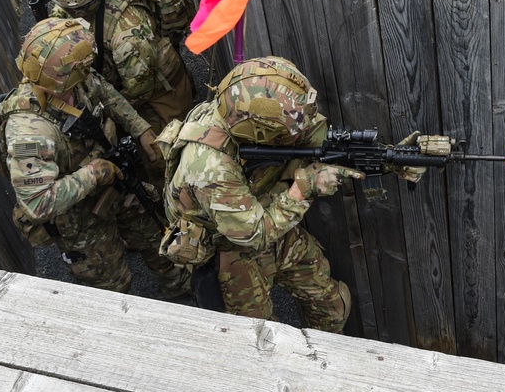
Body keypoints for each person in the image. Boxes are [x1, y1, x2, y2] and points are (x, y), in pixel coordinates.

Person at [156, 57, 368, 331]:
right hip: (228, 247)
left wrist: (387, 160)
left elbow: (317, 140)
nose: (301, 131)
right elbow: (253, 234)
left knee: (333, 305)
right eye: (289, 133)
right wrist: (303, 189)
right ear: (259, 133)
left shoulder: (244, 108)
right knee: (259, 338)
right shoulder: (210, 167)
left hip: (260, 212)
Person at [0, 18, 189, 297]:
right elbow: (36, 204)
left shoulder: (75, 82)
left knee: (153, 228)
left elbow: (107, 94)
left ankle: (177, 286)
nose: (87, 69)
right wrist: (94, 173)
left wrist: (141, 129)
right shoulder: (29, 132)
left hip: (114, 178)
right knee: (110, 284)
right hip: (79, 215)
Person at [42, 0, 193, 136]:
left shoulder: (127, 33)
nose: (74, 13)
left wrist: (109, 113)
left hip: (157, 91)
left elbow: (140, 88)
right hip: (122, 73)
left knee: (159, 153)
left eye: (81, 9)